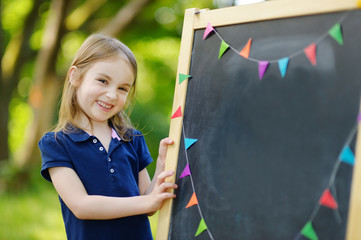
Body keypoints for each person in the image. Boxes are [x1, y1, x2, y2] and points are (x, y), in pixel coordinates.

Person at [38, 33, 177, 240]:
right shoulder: (56, 143)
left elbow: (148, 203)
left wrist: (161, 166)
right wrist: (146, 202)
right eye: (103, 81)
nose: (112, 94)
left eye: (122, 88)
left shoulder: (132, 139)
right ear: (75, 76)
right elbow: (81, 205)